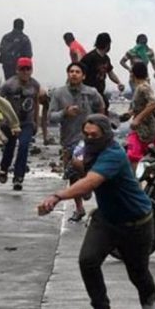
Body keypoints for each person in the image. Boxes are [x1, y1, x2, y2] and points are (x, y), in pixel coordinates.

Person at [38, 114, 155, 309]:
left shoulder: (114, 154)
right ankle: (101, 307)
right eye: (85, 134)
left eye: (94, 135)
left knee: (138, 273)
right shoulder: (85, 149)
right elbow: (78, 169)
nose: (89, 139)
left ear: (105, 135)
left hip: (136, 222)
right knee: (88, 261)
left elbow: (91, 182)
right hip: (107, 219)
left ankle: (152, 307)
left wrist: (57, 196)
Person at [49, 63, 105, 222]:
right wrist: (64, 113)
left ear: (83, 76)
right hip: (68, 139)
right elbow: (51, 116)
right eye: (71, 71)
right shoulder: (59, 93)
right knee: (72, 174)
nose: (74, 74)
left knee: (91, 169)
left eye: (77, 72)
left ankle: (89, 188)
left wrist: (99, 126)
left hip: (89, 140)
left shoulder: (91, 92)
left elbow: (101, 107)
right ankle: (79, 208)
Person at [0, 57, 41, 191]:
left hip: (27, 122)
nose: (25, 72)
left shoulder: (35, 85)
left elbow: (36, 102)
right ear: (17, 70)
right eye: (22, 69)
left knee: (24, 146)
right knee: (10, 147)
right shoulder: (9, 85)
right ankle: (4, 168)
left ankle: (18, 177)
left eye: (28, 69)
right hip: (10, 122)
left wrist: (36, 122)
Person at [125, 62, 155, 170]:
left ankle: (137, 183)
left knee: (133, 156)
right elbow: (141, 105)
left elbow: (153, 104)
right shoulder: (139, 88)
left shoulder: (143, 87)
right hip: (141, 130)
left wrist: (138, 119)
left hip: (145, 129)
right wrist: (129, 114)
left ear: (133, 74)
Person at [81, 32, 126, 110]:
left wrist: (118, 82)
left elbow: (110, 72)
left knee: (105, 106)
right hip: (88, 92)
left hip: (100, 91)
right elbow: (80, 72)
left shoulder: (106, 58)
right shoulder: (89, 58)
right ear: (107, 44)